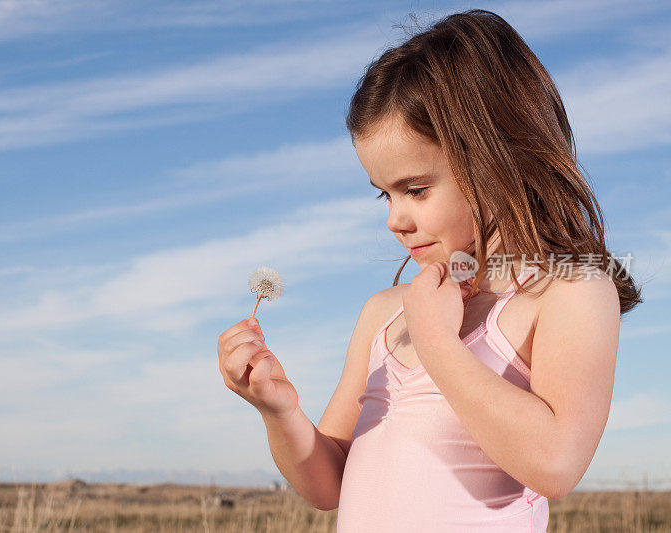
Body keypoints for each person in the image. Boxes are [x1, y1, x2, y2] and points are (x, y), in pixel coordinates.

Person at [216, 8, 642, 532]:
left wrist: (439, 343)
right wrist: (279, 412)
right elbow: (328, 486)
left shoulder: (568, 293)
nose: (396, 219)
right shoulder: (383, 315)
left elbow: (555, 463)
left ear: (499, 158)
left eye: (416, 190)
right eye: (384, 193)